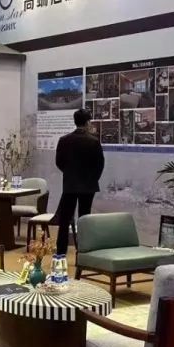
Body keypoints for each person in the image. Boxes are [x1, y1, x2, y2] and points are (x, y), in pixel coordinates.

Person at [53, 108, 104, 255]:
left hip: (70, 185)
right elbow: (99, 164)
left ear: (75, 122)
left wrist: (69, 174)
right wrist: (93, 178)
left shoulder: (64, 140)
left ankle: (61, 253)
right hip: (88, 185)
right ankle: (82, 252)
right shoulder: (94, 141)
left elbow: (59, 162)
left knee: (65, 220)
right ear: (87, 123)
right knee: (84, 219)